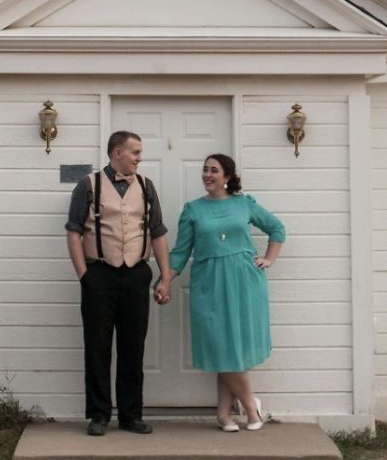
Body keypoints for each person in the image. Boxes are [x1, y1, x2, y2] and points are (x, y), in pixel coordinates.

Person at [155, 154, 285, 431]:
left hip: (244, 281)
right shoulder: (193, 210)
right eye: (205, 170)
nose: (207, 174)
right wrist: (165, 280)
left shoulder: (244, 204)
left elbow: (277, 228)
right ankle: (251, 406)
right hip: (209, 283)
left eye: (214, 170)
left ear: (227, 176)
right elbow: (180, 253)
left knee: (233, 347)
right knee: (219, 344)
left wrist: (269, 259)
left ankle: (224, 414)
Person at [66, 130, 171, 437]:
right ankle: (98, 415)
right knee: (97, 347)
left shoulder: (146, 187)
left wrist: (164, 276)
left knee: (132, 348)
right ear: (116, 153)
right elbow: (74, 232)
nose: (139, 158)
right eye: (135, 152)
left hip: (136, 275)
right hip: (99, 274)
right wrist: (84, 275)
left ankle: (130, 415)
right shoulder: (87, 186)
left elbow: (158, 232)